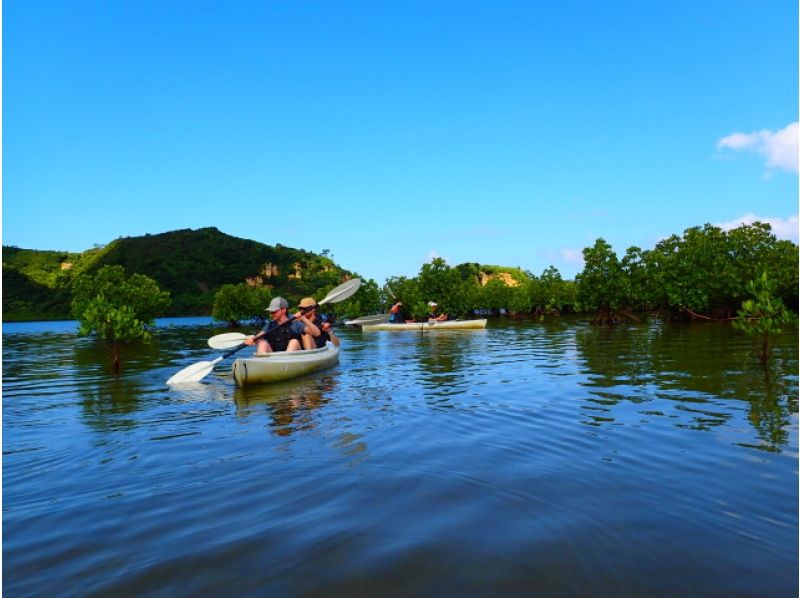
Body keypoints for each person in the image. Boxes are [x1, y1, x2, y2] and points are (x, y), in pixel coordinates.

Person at [244, 296, 321, 354]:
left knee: (294, 342)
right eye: (271, 312)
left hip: (292, 358)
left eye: (274, 311)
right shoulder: (270, 325)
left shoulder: (295, 323)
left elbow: (317, 333)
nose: (272, 314)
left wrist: (303, 318)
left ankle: (286, 364)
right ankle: (261, 364)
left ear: (284, 310)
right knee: (262, 343)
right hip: (275, 358)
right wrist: (253, 339)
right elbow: (259, 336)